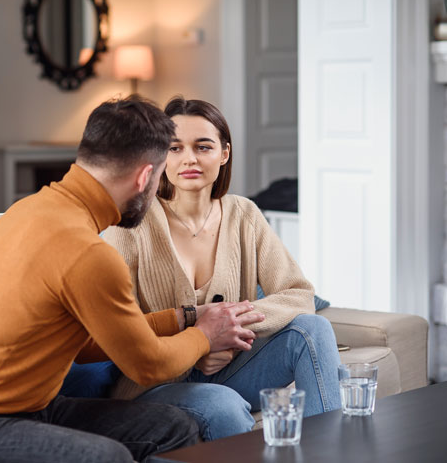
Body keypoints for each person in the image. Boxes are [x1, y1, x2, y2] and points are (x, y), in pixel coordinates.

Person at [0, 96, 266, 463]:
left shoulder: (27, 210)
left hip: (26, 410)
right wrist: (204, 335)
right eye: (159, 176)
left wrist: (187, 316)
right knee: (105, 457)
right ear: (145, 176)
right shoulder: (87, 253)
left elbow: (86, 344)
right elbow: (148, 366)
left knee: (172, 427)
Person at [102, 96, 342, 442]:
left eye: (203, 146)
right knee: (224, 405)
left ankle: (331, 452)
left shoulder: (244, 215)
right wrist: (198, 343)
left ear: (224, 153)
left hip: (232, 364)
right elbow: (117, 328)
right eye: (174, 148)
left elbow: (298, 293)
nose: (190, 159)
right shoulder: (129, 225)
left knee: (312, 330)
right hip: (155, 381)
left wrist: (228, 328)